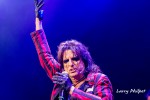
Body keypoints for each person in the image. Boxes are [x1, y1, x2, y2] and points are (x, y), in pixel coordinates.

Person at [31, 0, 113, 100]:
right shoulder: (62, 78)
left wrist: (71, 89)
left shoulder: (98, 79)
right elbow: (44, 54)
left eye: (75, 59)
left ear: (85, 61)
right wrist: (38, 21)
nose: (70, 64)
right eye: (66, 61)